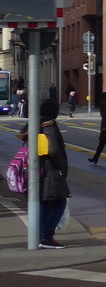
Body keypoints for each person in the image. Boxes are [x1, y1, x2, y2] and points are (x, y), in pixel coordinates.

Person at [19, 98, 71, 249]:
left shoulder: (33, 124)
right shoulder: (49, 125)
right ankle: (47, 237)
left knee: (41, 202)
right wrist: (62, 169)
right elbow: (54, 150)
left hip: (34, 170)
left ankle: (41, 236)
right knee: (59, 202)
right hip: (50, 171)